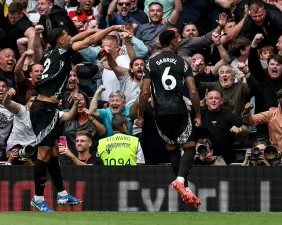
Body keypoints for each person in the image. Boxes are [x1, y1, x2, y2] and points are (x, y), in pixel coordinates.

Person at [29, 25, 124, 212]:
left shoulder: (52, 52)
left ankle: (62, 195)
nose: (70, 37)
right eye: (66, 35)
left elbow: (81, 36)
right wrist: (112, 28)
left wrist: (92, 29)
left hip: (49, 108)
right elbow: (87, 41)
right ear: (61, 41)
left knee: (54, 152)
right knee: (44, 154)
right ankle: (38, 198)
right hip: (43, 109)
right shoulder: (63, 51)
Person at [137, 29, 201, 208]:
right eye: (177, 39)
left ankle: (186, 190)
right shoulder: (182, 62)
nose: (178, 42)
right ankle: (180, 180)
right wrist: (198, 114)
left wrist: (141, 116)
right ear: (173, 42)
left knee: (172, 149)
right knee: (189, 146)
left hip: (160, 113)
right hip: (179, 109)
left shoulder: (150, 63)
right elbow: (193, 91)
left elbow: (144, 93)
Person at [242, 87, 282, 165]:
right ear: (278, 100)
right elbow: (252, 121)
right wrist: (246, 111)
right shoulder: (271, 114)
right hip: (276, 159)